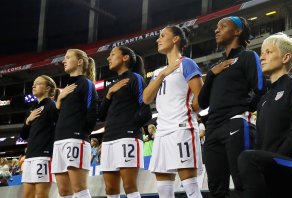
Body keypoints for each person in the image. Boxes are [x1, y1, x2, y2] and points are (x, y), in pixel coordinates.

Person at [238, 33, 292, 198]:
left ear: (285, 57)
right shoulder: (264, 98)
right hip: (270, 166)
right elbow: (260, 142)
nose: (261, 56)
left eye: (268, 52)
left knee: (248, 159)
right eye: (261, 52)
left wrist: (269, 163)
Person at [197, 16, 266, 197]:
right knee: (216, 189)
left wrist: (244, 109)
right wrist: (211, 74)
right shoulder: (216, 67)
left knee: (243, 183)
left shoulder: (248, 56)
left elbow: (261, 88)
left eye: (223, 26)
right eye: (216, 27)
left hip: (236, 124)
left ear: (237, 31)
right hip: (212, 130)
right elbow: (203, 102)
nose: (216, 30)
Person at [143, 25, 204, 198]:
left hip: (181, 129)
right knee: (163, 190)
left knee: (190, 187)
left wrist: (189, 111)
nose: (158, 39)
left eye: (163, 35)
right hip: (162, 132)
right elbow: (146, 98)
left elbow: (201, 97)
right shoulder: (157, 72)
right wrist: (163, 74)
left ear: (175, 39)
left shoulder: (187, 63)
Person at [98, 46, 152, 198]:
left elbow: (145, 110)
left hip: (128, 137)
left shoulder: (136, 78)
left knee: (129, 186)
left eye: (112, 54)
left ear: (125, 57)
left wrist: (130, 125)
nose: (108, 58)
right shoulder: (111, 86)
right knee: (110, 189)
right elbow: (101, 116)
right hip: (109, 138)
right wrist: (109, 94)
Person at [52, 49, 98, 198]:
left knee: (79, 188)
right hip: (59, 141)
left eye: (67, 57)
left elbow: (92, 112)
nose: (64, 61)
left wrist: (81, 133)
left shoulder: (86, 84)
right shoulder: (64, 89)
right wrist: (59, 100)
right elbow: (57, 117)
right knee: (64, 192)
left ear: (79, 62)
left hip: (75, 140)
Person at [20, 75, 58, 198]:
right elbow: (23, 135)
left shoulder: (52, 106)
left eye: (38, 83)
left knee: (41, 195)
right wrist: (28, 121)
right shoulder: (31, 110)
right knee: (27, 195)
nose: (33, 85)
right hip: (30, 157)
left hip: (44, 156)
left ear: (47, 88)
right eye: (33, 83)